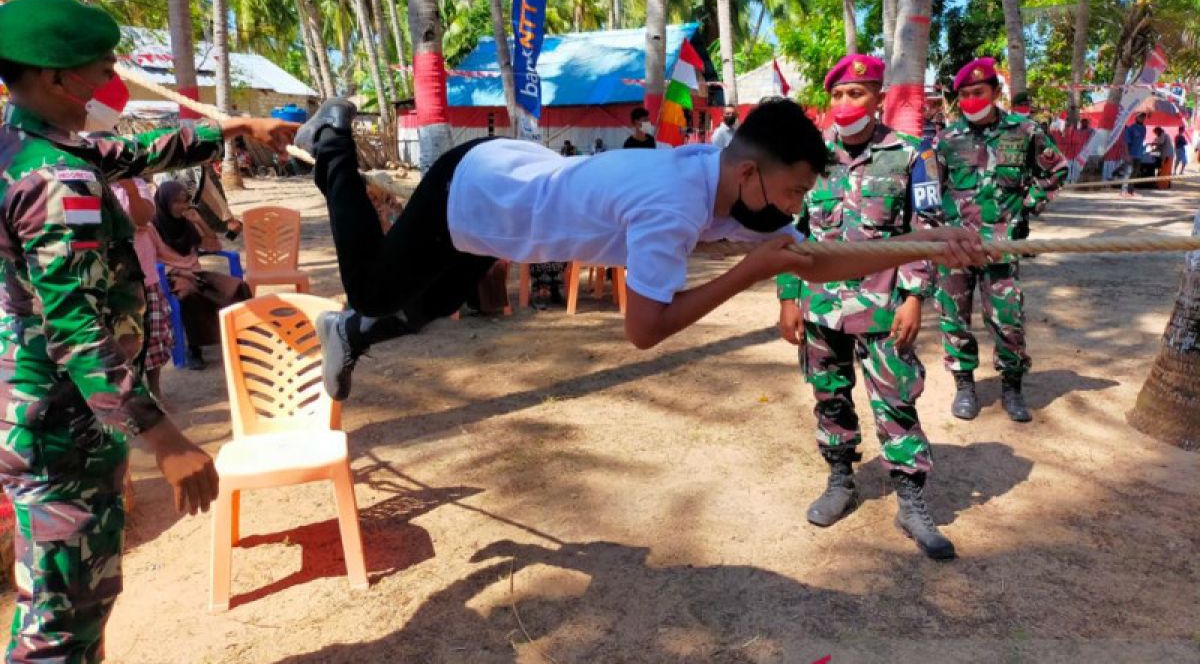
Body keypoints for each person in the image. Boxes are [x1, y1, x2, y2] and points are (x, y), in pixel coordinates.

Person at [291, 96, 985, 402]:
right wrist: (748, 273)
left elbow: (813, 259)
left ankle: (349, 335)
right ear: (751, 173)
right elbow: (643, 331)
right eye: (794, 191)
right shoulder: (673, 207)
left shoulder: (729, 189)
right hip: (476, 190)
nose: (796, 209)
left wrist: (920, 245)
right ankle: (330, 145)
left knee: (428, 305)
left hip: (508, 203)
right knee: (380, 290)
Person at [0, 0, 296, 663]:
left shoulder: (28, 144)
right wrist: (163, 436)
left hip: (49, 417)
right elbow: (77, 327)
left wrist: (232, 129)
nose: (109, 84)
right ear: (52, 78)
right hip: (60, 427)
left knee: (75, 608)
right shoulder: (55, 181)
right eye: (98, 71)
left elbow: (128, 152)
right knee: (58, 627)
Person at [776, 55, 954, 559]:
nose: (845, 103)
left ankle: (911, 500)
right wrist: (789, 295)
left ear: (878, 99)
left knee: (896, 400)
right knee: (829, 394)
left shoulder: (912, 155)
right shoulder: (809, 158)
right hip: (821, 306)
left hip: (883, 304)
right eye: (837, 94)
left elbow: (926, 232)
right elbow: (791, 233)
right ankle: (840, 480)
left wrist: (915, 295)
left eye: (856, 93)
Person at [936, 58, 1068, 423]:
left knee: (1008, 322)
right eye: (963, 95)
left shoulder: (1024, 131)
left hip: (1001, 247)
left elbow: (1056, 170)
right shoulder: (947, 140)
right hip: (955, 250)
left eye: (978, 92)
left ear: (995, 92)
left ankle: (1012, 387)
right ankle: (964, 386)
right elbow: (931, 190)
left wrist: (1027, 206)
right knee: (954, 319)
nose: (970, 100)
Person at [149, 180, 252, 369]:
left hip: (196, 273)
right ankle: (195, 348)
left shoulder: (188, 223)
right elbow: (151, 260)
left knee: (238, 286)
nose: (182, 207)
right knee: (189, 295)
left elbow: (215, 246)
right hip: (173, 276)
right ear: (164, 203)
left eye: (184, 201)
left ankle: (242, 335)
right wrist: (178, 271)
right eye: (176, 202)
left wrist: (199, 221)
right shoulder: (153, 227)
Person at [112, 178, 173, 406]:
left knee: (154, 335)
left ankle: (156, 390)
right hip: (115, 281)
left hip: (146, 277)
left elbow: (142, 217)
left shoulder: (138, 186)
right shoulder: (91, 185)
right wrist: (125, 225)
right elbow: (89, 225)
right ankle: (130, 395)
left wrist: (129, 188)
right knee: (122, 341)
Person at [1120, 112, 1148, 196]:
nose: (1142, 118)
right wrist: (1127, 154)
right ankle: (1123, 191)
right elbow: (1126, 143)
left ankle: (1130, 191)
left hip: (1139, 154)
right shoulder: (1130, 128)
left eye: (1143, 117)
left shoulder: (1144, 128)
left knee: (1135, 173)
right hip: (1131, 154)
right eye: (1140, 117)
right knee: (1128, 172)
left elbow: (1142, 140)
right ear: (1136, 118)